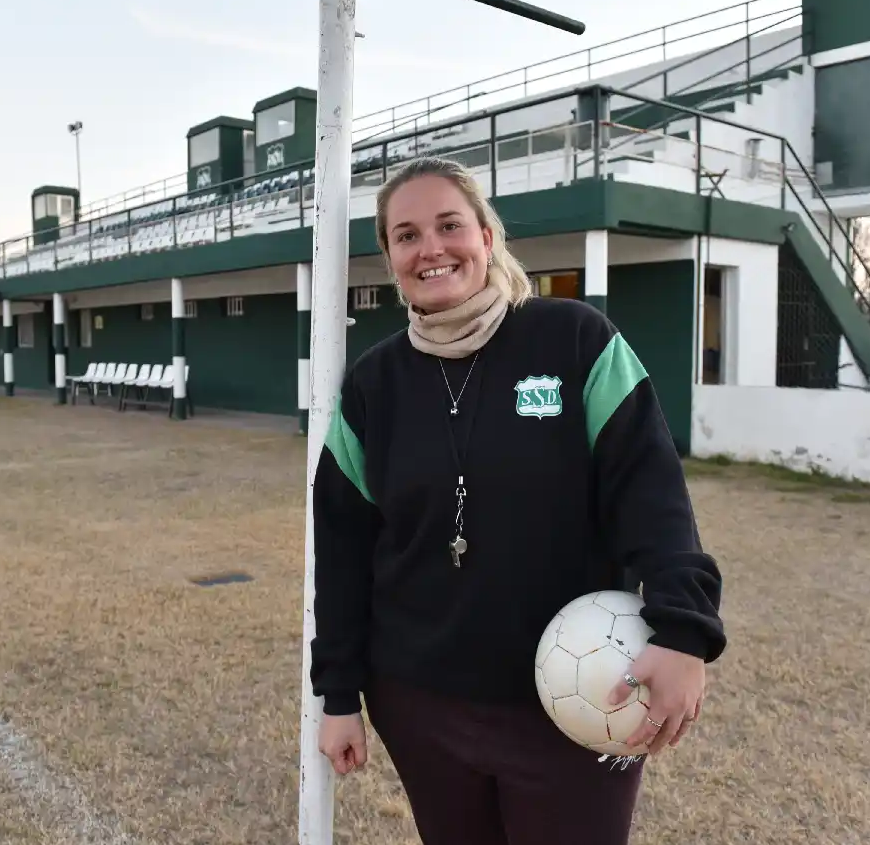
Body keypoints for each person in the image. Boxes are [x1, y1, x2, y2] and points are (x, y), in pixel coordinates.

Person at [308, 156, 727, 845]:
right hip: (420, 707)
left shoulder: (576, 341)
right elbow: (345, 553)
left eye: (450, 225)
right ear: (390, 258)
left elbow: (653, 495)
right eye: (407, 235)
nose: (432, 248)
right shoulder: (372, 385)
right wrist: (339, 696)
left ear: (488, 237)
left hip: (579, 699)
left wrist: (685, 630)